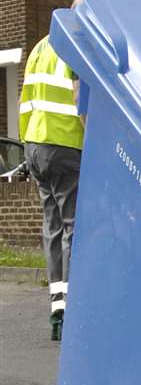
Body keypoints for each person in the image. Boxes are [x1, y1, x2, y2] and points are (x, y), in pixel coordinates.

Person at [18, 30, 84, 340]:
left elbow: (24, 99)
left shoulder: (39, 48)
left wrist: (27, 145)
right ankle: (72, 307)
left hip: (35, 144)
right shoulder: (75, 43)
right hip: (66, 143)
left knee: (53, 227)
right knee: (73, 225)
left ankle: (57, 305)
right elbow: (77, 95)